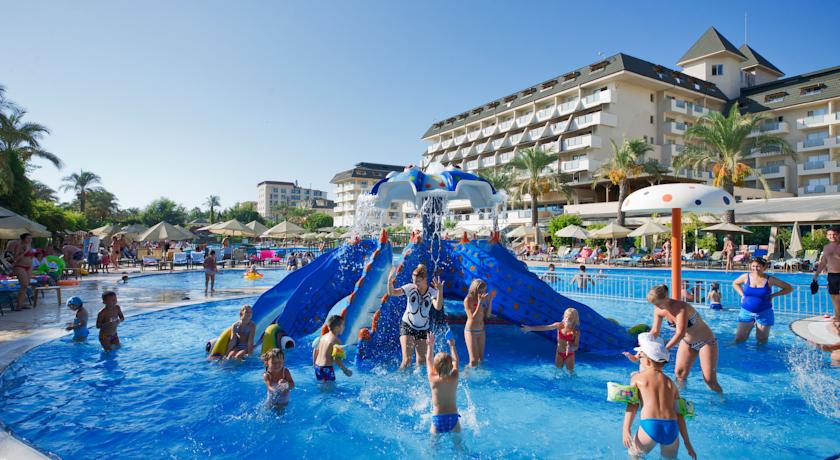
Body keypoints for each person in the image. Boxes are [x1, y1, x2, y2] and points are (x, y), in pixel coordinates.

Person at [621, 339, 696, 460]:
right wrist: (687, 442)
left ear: (647, 361)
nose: (638, 358)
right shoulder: (672, 384)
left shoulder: (638, 378)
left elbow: (632, 405)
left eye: (640, 356)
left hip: (650, 426)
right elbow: (680, 414)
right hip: (671, 429)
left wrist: (626, 429)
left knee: (634, 455)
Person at [647, 285, 722, 393]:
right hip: (687, 343)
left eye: (659, 303)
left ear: (666, 297)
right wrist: (645, 344)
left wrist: (664, 349)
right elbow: (655, 331)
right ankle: (680, 396)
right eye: (654, 304)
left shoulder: (681, 307)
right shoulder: (659, 309)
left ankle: (721, 399)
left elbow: (680, 333)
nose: (657, 306)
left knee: (709, 380)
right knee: (679, 374)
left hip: (706, 342)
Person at [386, 264, 444, 369]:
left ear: (425, 279)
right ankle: (400, 378)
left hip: (423, 329)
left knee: (422, 362)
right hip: (407, 325)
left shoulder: (432, 292)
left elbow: (438, 306)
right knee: (407, 360)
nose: (415, 284)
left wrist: (440, 291)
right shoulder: (410, 288)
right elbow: (392, 293)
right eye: (414, 281)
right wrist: (390, 281)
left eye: (418, 281)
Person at [733, 257, 793, 344]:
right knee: (739, 339)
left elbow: (789, 288)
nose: (755, 268)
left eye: (758, 266)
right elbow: (735, 283)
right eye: (753, 266)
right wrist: (742, 295)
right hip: (746, 312)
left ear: (764, 267)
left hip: (764, 313)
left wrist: (773, 295)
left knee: (762, 341)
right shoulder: (746, 277)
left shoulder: (770, 279)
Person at [425, 331, 461, 434]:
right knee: (458, 443)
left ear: (435, 367)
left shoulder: (433, 379)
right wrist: (452, 345)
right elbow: (456, 361)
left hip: (438, 418)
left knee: (433, 443)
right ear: (451, 367)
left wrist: (430, 345)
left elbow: (428, 360)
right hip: (453, 417)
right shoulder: (454, 377)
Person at [313, 315, 352, 381]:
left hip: (317, 367)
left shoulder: (323, 337)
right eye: (343, 325)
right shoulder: (336, 341)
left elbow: (316, 350)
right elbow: (336, 358)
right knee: (329, 387)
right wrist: (345, 370)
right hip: (326, 368)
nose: (344, 327)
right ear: (337, 328)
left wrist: (314, 364)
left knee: (322, 385)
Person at [463, 279, 493, 367]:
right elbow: (472, 318)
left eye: (484, 291)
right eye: (481, 291)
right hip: (471, 331)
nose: (483, 293)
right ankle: (465, 373)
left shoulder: (482, 299)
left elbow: (487, 315)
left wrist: (490, 301)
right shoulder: (468, 300)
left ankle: (479, 374)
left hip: (481, 331)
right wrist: (480, 303)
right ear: (475, 290)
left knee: (480, 359)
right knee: (473, 361)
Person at [813, 227, 840, 321]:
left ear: (838, 235)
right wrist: (816, 275)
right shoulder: (826, 247)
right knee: (834, 296)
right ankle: (837, 316)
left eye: (834, 234)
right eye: (829, 234)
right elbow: (823, 262)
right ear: (827, 236)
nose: (832, 236)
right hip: (831, 275)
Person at [7, 233, 34, 311]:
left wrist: (31, 265)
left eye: (31, 238)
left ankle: (20, 304)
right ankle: (18, 305)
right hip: (20, 266)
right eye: (28, 238)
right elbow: (15, 258)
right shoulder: (20, 245)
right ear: (23, 239)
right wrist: (24, 252)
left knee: (25, 286)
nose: (30, 240)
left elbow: (31, 257)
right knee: (24, 284)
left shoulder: (29, 245)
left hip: (28, 267)